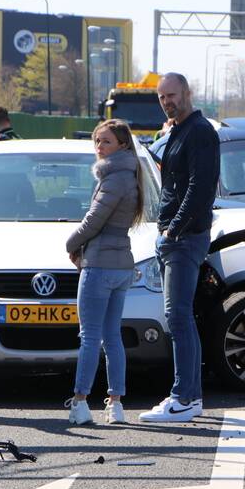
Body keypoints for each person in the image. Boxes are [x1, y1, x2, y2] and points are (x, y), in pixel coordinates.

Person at [138, 72, 218, 424]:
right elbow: (159, 167)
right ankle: (190, 397)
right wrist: (165, 134)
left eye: (172, 95)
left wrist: (173, 230)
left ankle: (183, 397)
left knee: (178, 317)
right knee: (182, 318)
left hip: (183, 239)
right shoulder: (177, 131)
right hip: (176, 238)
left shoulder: (200, 132)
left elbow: (201, 189)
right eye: (161, 97)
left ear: (188, 93)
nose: (167, 101)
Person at [63, 119, 144, 425]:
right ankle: (116, 403)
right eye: (97, 141)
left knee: (89, 337)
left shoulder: (113, 178)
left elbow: (93, 220)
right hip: (121, 265)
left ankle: (81, 402)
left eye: (106, 141)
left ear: (122, 145)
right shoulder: (130, 175)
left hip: (99, 266)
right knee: (112, 337)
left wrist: (70, 244)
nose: (99, 147)